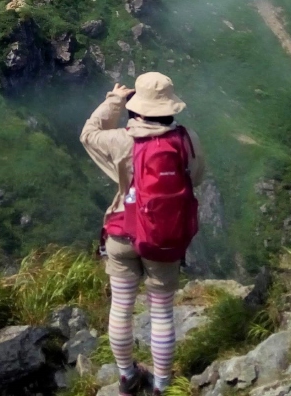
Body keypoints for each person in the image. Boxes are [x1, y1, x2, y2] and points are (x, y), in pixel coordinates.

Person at [80, 72, 205, 396]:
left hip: (122, 233)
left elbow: (88, 134)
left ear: (137, 108)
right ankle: (161, 385)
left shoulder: (121, 140)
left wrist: (114, 101)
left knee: (121, 306)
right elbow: (198, 177)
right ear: (170, 107)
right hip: (164, 238)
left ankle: (127, 376)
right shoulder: (187, 138)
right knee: (161, 309)